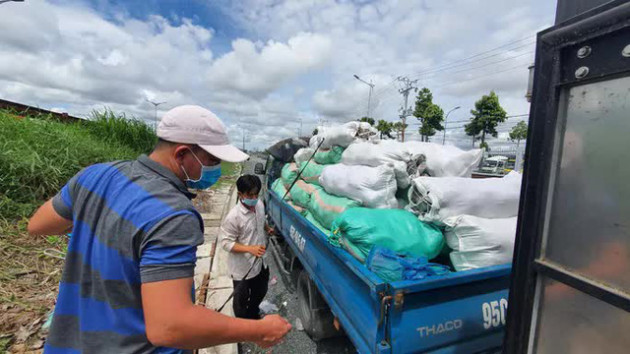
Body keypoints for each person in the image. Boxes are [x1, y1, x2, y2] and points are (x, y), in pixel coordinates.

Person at [27, 105, 291, 353]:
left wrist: (104, 227)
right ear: (182, 154)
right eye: (212, 160)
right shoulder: (173, 213)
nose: (217, 169)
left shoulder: (96, 175)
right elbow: (170, 327)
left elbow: (39, 225)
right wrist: (258, 330)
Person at [220, 174, 274, 319]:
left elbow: (261, 220)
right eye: (250, 195)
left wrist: (267, 228)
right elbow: (225, 243)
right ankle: (242, 325)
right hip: (242, 267)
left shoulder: (259, 204)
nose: (254, 197)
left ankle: (253, 313)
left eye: (256, 194)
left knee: (261, 291)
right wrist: (250, 249)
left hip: (260, 261)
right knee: (240, 300)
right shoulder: (234, 217)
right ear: (240, 194)